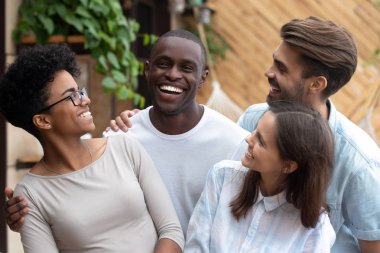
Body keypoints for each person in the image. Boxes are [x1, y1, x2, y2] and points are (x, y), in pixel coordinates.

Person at [4, 30, 249, 235]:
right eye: (163, 64)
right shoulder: (121, 139)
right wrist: (33, 216)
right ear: (147, 69)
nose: (173, 74)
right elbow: (87, 212)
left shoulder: (233, 142)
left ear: (203, 77)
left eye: (186, 67)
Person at [0, 44, 184, 252]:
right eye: (72, 96)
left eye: (80, 91)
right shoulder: (31, 194)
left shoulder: (124, 147)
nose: (85, 100)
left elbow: (171, 231)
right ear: (43, 120)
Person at [237, 17, 380, 253]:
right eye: (274, 62)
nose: (268, 72)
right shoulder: (252, 120)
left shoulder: (361, 165)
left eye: (281, 68)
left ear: (316, 84)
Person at [185, 100, 336, 252]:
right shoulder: (222, 176)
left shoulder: (316, 228)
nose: (249, 139)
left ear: (288, 166)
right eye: (255, 131)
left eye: (261, 141)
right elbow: (195, 247)